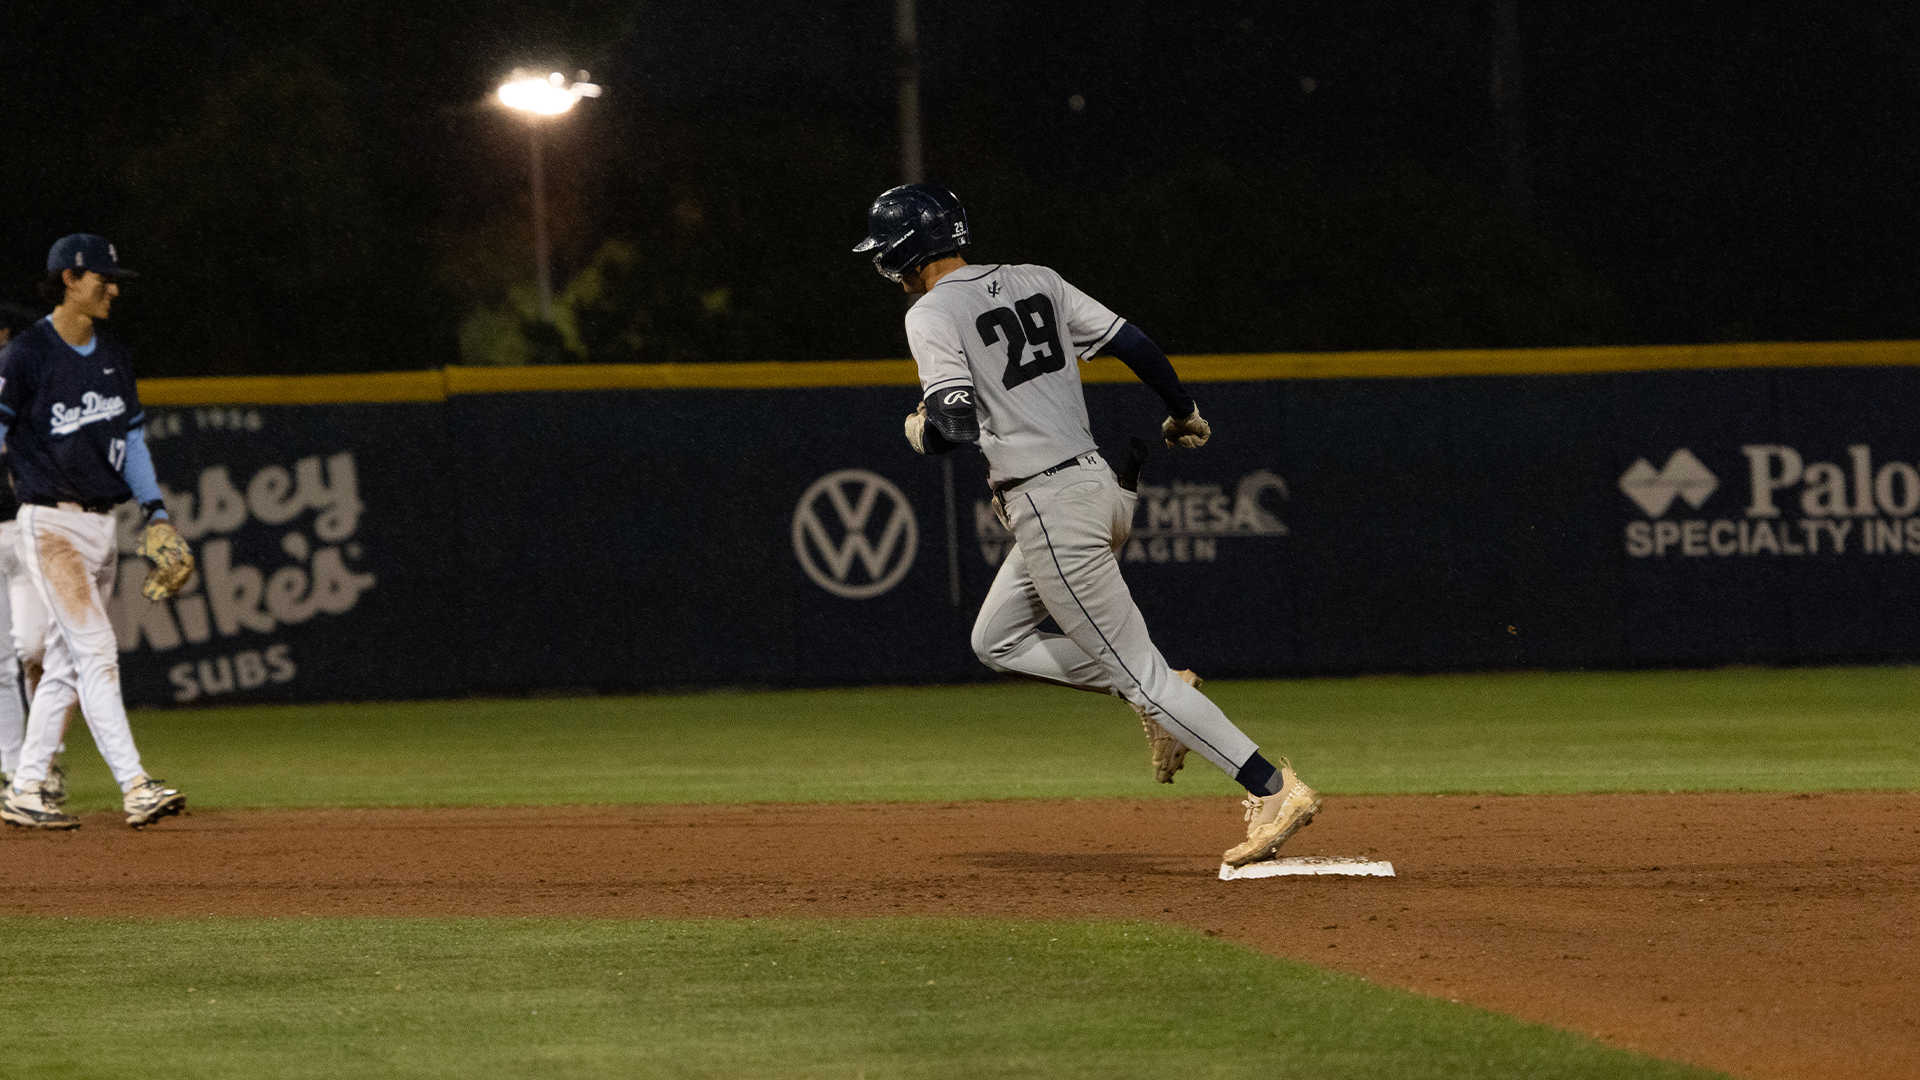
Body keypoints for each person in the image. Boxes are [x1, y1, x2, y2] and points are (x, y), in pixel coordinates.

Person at [855, 184, 1321, 867]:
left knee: (1141, 676)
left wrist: (921, 434)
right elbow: (1135, 343)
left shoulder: (930, 311)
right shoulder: (1037, 279)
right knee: (996, 641)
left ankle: (1272, 789)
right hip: (1095, 487)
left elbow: (951, 424)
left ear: (905, 252)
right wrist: (1182, 410)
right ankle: (1164, 690)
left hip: (1050, 509)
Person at [0, 234, 187, 829]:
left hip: (102, 525)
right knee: (96, 649)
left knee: (62, 664)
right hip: (50, 522)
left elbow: (132, 441)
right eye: (102, 279)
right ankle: (135, 785)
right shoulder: (26, 354)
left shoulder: (114, 356)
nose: (113, 289)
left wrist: (156, 513)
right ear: (68, 279)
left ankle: (26, 788)